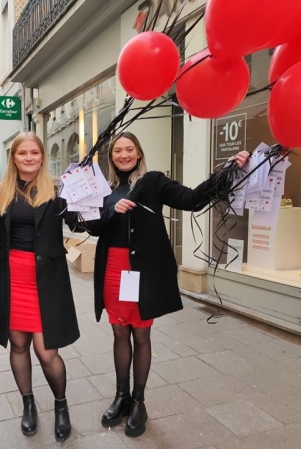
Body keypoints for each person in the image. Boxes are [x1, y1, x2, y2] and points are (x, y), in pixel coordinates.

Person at [83, 131, 249, 438]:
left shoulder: (154, 182)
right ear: (111, 156)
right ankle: (121, 396)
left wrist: (225, 173)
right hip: (113, 268)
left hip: (141, 269)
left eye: (129, 149)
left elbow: (191, 199)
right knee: (119, 330)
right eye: (117, 150)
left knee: (141, 333)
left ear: (138, 153)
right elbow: (91, 227)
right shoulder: (103, 187)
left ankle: (139, 402)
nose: (123, 155)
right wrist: (109, 210)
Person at [0, 132, 80, 442]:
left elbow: (81, 223)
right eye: (22, 153)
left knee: (47, 351)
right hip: (13, 279)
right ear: (13, 158)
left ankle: (60, 405)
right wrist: (1, 270)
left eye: (34, 153)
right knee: (18, 345)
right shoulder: (0, 193)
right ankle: (28, 404)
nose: (29, 158)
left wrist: (94, 199)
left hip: (46, 280)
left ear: (42, 157)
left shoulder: (57, 190)